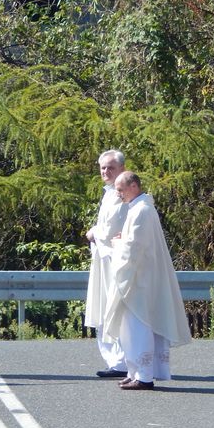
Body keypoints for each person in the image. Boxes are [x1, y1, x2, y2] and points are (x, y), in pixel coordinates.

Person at [103, 171, 191, 390]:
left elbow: (134, 249)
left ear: (134, 186)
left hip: (139, 281)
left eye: (121, 190)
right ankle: (134, 371)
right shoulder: (138, 208)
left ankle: (144, 376)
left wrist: (117, 244)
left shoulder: (142, 210)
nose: (119, 194)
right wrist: (122, 241)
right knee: (129, 329)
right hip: (137, 278)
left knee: (138, 327)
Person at [84, 150, 129, 379]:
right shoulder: (109, 194)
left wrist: (93, 232)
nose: (106, 171)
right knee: (103, 307)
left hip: (114, 259)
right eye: (103, 167)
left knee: (113, 307)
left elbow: (112, 229)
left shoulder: (121, 195)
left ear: (122, 168)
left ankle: (120, 361)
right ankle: (114, 360)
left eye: (111, 167)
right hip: (103, 258)